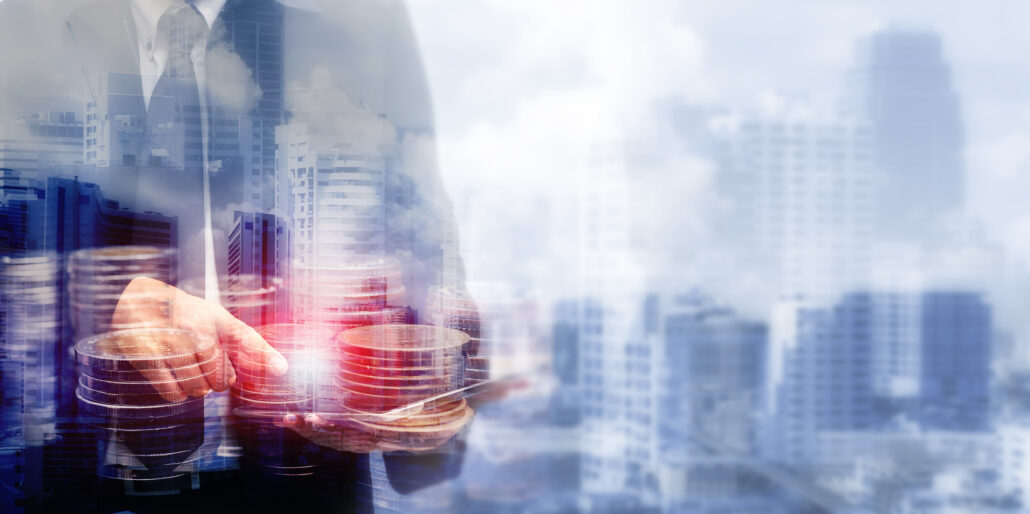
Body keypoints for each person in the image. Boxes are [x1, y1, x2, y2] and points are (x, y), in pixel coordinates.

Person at [0, 0, 475, 511]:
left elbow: (423, 235)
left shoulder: (340, 44)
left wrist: (431, 400)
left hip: (309, 473)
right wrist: (102, 306)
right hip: (95, 473)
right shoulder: (30, 37)